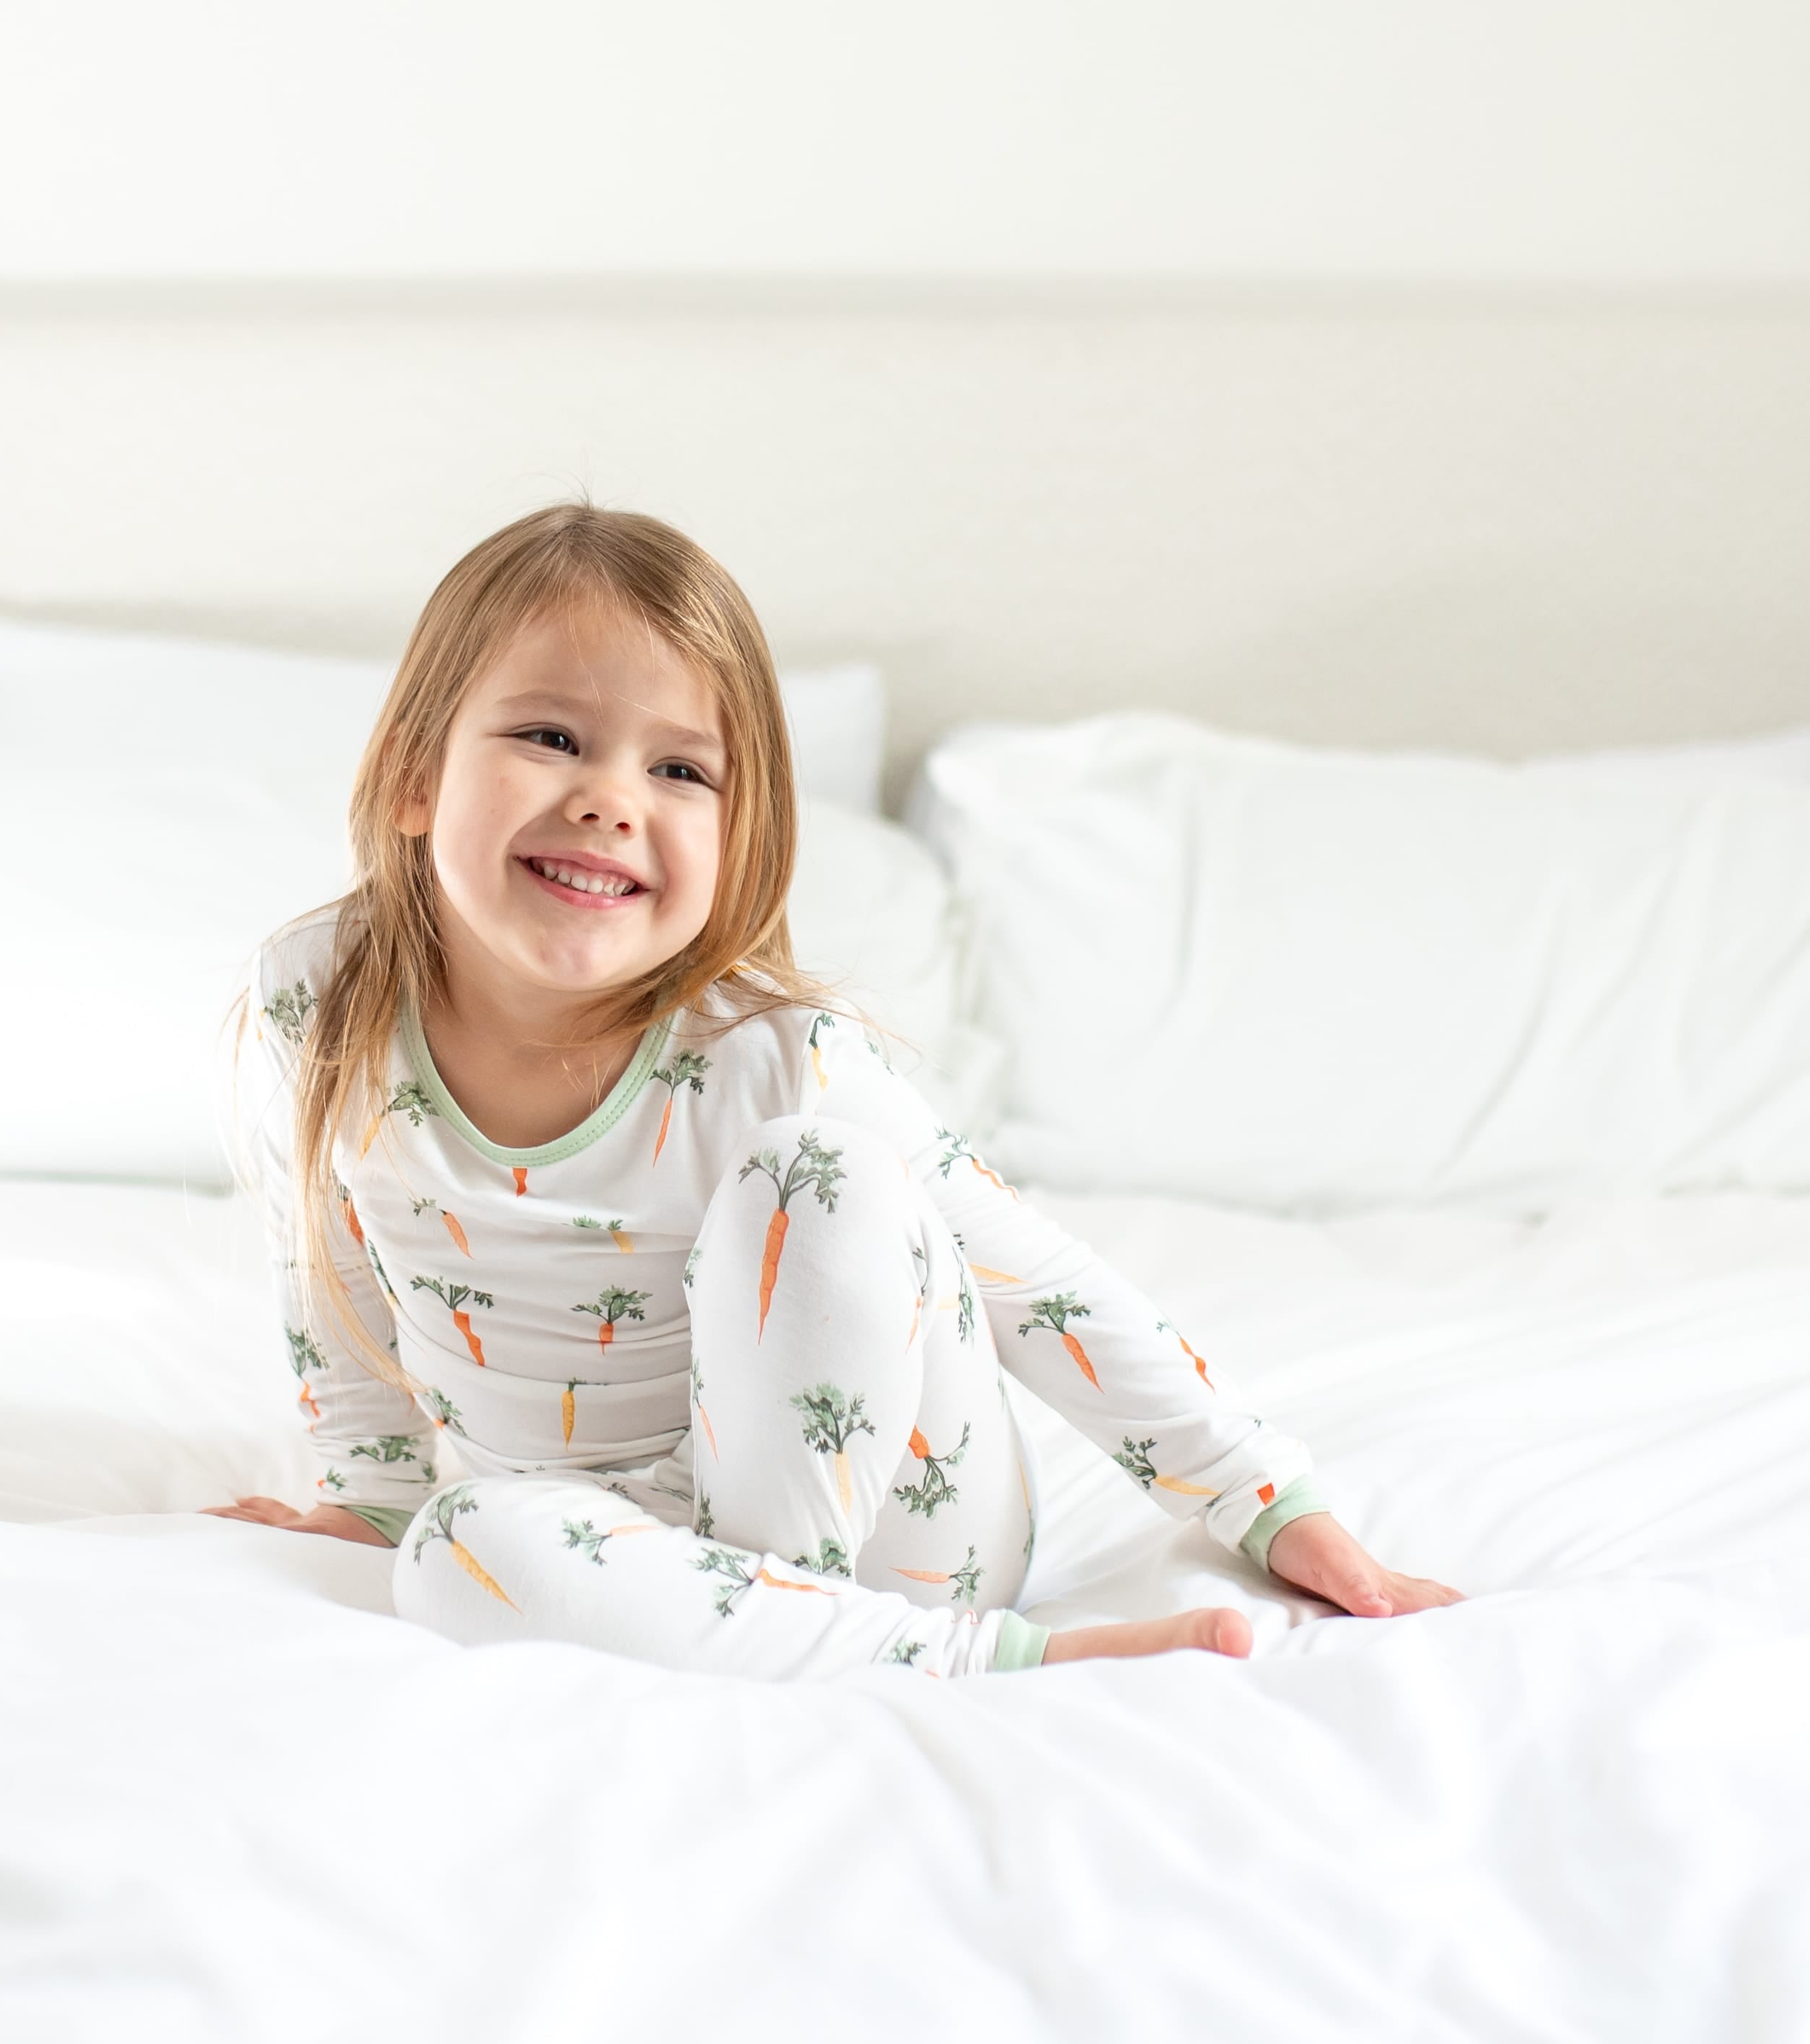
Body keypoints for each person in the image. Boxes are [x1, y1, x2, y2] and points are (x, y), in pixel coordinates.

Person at [205, 501, 1460, 1678]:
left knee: (823, 1173)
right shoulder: (318, 1000)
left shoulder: (768, 1052)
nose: (608, 799)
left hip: (886, 1532)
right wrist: (371, 1498)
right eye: (550, 737)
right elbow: (327, 1271)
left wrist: (1269, 1506)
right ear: (418, 774)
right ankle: (775, 1643)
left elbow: (1042, 1289)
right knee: (453, 1551)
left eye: (682, 771)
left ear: (740, 834)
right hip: (575, 1523)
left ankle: (959, 1662)